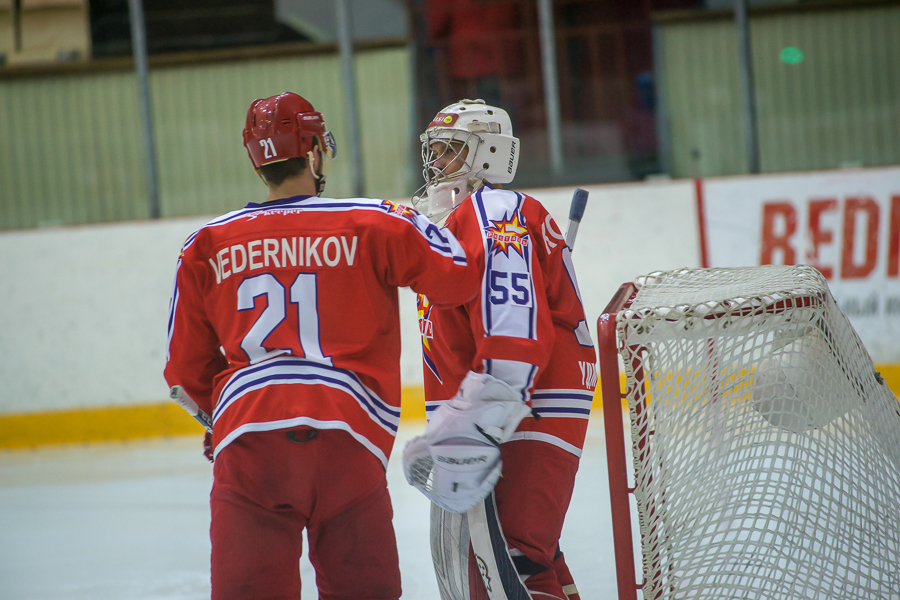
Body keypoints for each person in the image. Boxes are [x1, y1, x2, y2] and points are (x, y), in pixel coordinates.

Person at [163, 91, 482, 600]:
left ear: (257, 161)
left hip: (249, 442)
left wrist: (224, 422)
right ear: (315, 152)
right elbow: (459, 278)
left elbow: (184, 372)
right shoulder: (375, 221)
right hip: (346, 438)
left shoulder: (206, 243)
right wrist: (459, 215)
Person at [403, 99, 597, 600]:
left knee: (511, 560)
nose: (436, 162)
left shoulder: (496, 210)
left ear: (488, 153)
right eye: (434, 150)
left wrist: (475, 422)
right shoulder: (461, 220)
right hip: (513, 403)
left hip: (526, 403)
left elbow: (514, 326)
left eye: (450, 149)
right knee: (529, 557)